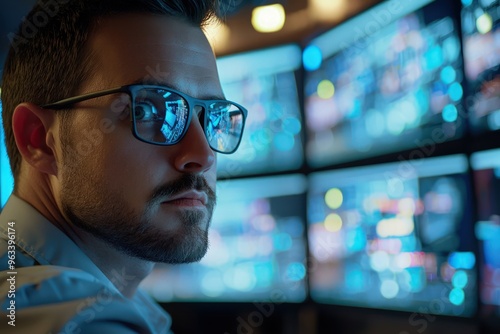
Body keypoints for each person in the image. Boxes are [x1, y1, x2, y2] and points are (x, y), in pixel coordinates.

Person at [0, 0, 247, 332]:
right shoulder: (79, 321)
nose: (203, 156)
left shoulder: (119, 301)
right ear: (39, 139)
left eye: (211, 117)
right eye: (150, 111)